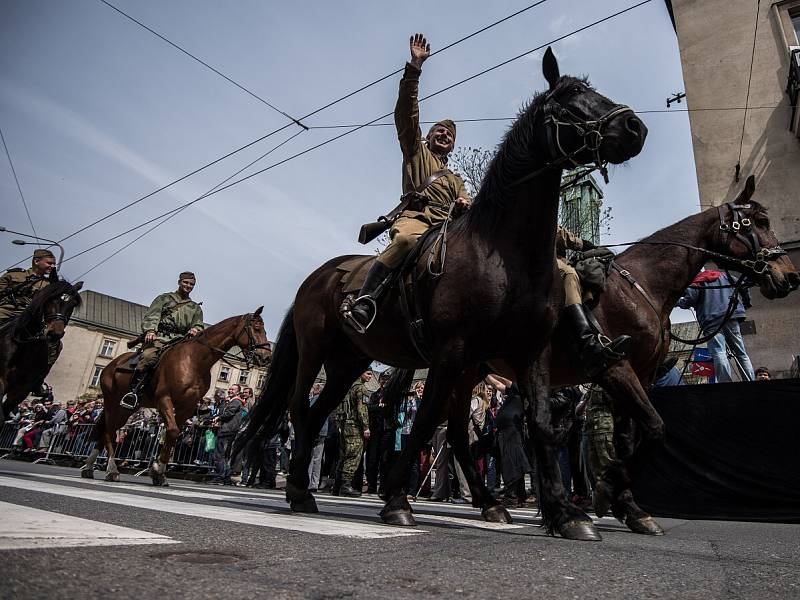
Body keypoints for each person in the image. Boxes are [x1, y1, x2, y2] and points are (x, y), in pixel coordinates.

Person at [343, 33, 471, 332]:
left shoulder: (456, 179)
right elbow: (406, 112)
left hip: (447, 228)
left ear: (452, 146)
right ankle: (365, 301)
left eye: (449, 135)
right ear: (428, 136)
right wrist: (415, 68)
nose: (444, 135)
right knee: (405, 241)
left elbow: (467, 199)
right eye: (439, 131)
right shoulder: (416, 151)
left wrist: (466, 203)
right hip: (417, 219)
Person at [121, 271, 204, 409]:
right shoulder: (164, 298)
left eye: (191, 284)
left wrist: (196, 328)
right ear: (179, 282)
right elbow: (152, 315)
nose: (188, 286)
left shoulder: (195, 307)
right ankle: (132, 392)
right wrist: (151, 330)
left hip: (180, 340)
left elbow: (199, 323)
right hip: (159, 337)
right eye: (186, 282)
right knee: (148, 357)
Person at [556, 227, 630, 376]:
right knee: (569, 275)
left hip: (554, 258)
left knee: (589, 274)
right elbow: (556, 232)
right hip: (536, 260)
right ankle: (587, 343)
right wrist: (583, 244)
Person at [677, 267, 755, 382]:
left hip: (711, 321)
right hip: (731, 317)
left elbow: (689, 301)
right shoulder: (724, 276)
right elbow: (742, 285)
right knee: (741, 353)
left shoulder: (697, 282)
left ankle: (725, 382)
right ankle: (750, 380)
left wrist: (676, 302)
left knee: (719, 352)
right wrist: (746, 303)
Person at [0, 248, 62, 364]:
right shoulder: (14, 275)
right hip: (8, 310)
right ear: (37, 261)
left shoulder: (49, 284)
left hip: (30, 316)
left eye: (54, 264)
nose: (52, 266)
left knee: (55, 344)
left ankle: (40, 374)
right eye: (49, 263)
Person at [333, 372, 371, 497]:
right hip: (355, 426)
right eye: (368, 373)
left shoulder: (347, 387)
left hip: (344, 425)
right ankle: (346, 486)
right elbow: (362, 409)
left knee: (343, 455)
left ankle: (337, 485)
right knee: (353, 455)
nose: (370, 377)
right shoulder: (360, 388)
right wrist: (366, 426)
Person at [210, 384, 243, 485]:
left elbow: (229, 413)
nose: (230, 391)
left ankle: (220, 477)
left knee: (220, 455)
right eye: (230, 389)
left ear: (237, 392)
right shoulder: (233, 401)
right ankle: (226, 477)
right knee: (225, 456)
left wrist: (218, 418)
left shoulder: (236, 401)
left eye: (233, 389)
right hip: (228, 430)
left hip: (227, 430)